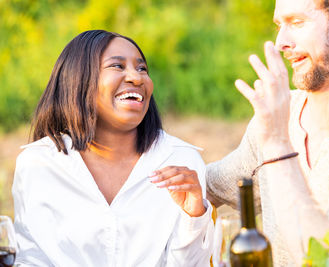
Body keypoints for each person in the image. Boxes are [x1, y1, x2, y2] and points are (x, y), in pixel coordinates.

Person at [206, 0, 329, 266]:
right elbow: (214, 185)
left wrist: (276, 144)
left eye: (296, 22)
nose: (280, 43)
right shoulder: (284, 111)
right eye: (279, 25)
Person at [12, 30, 213, 266]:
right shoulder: (38, 163)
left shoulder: (182, 161)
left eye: (142, 69)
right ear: (78, 79)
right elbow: (30, 259)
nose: (137, 78)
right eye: (117, 66)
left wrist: (194, 216)